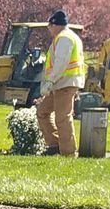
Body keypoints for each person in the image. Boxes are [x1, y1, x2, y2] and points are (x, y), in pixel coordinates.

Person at [35, 10, 85, 157]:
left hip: (65, 83)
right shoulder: (66, 37)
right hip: (60, 84)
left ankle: (68, 153)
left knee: (62, 118)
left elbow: (61, 63)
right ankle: (54, 145)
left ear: (55, 24)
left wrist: (50, 81)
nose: (49, 29)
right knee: (42, 112)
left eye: (49, 26)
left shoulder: (64, 38)